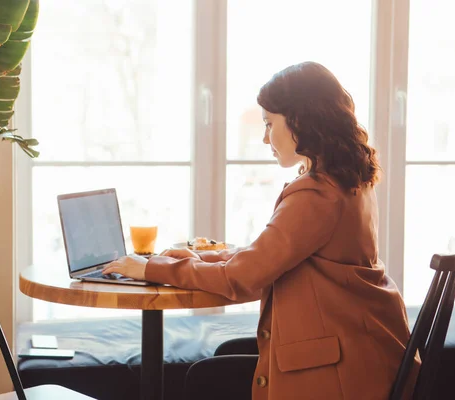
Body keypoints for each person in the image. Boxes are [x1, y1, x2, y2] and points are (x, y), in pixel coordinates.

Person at [103, 61, 420, 400]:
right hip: (365, 349)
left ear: (302, 119)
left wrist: (151, 267)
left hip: (342, 370)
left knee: (207, 379)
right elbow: (277, 258)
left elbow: (242, 279)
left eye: (270, 123)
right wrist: (206, 258)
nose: (265, 137)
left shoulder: (317, 194)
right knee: (220, 363)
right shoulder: (347, 179)